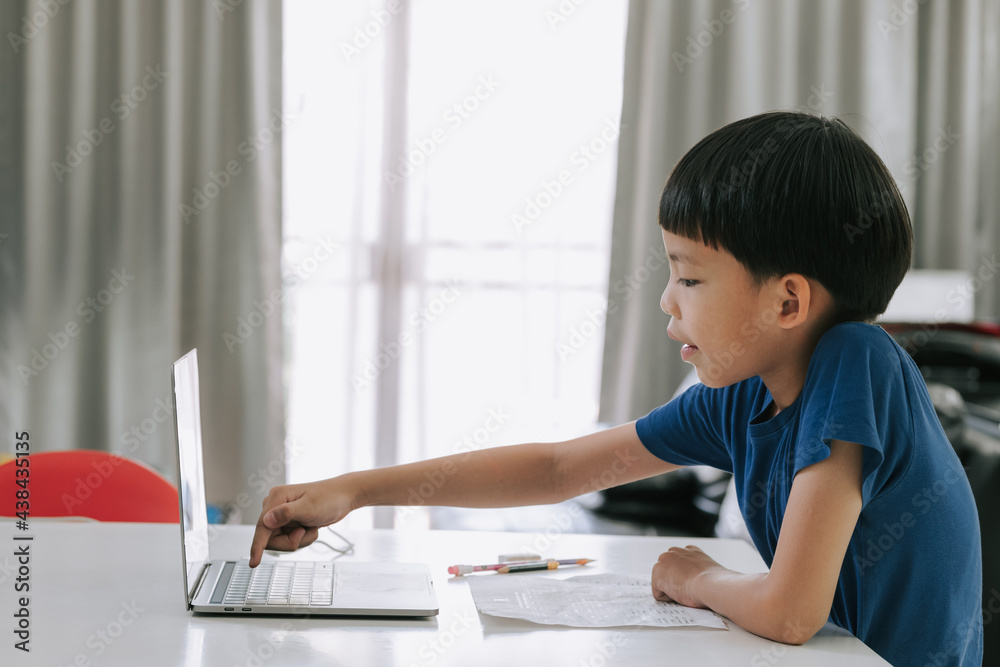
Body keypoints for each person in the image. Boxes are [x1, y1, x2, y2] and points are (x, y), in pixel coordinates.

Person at [249, 111, 983, 666]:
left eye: (690, 277)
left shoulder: (857, 361)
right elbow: (561, 468)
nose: (668, 300)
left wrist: (698, 577)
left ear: (787, 303)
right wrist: (355, 488)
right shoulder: (744, 393)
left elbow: (791, 611)